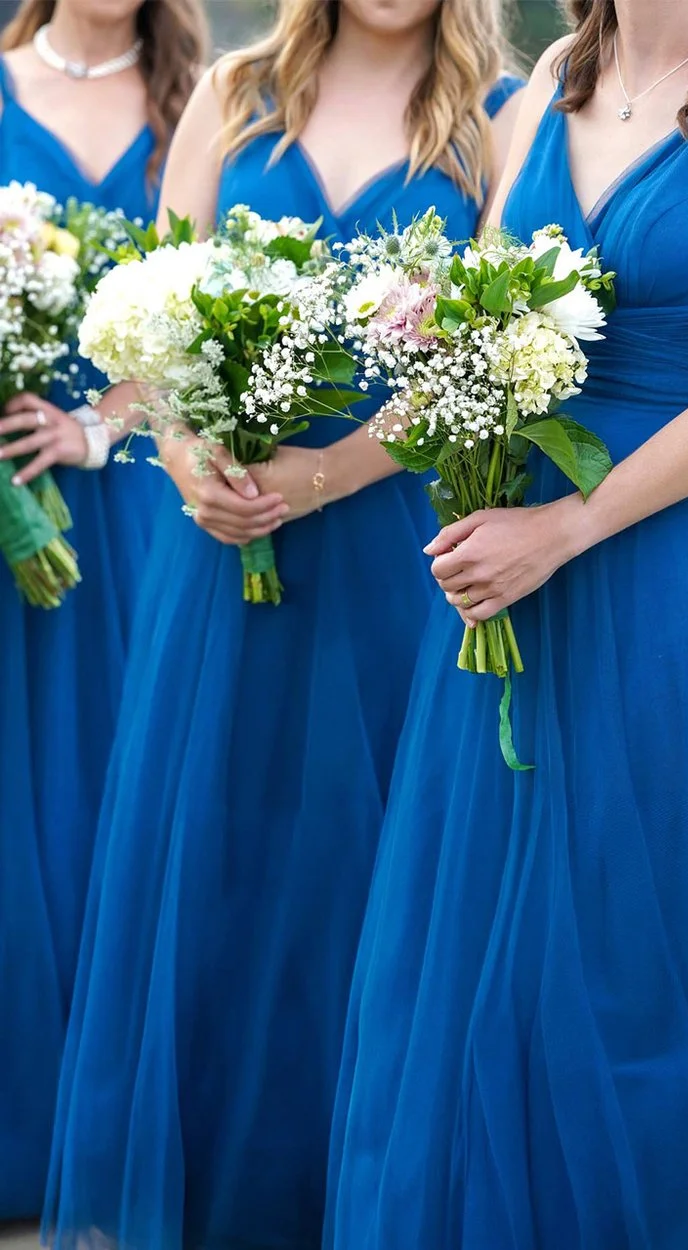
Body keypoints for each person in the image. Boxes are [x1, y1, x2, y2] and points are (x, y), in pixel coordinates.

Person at [326, 1, 688, 1244]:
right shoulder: (550, 73)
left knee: (628, 905)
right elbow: (495, 299)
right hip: (511, 528)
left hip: (659, 558)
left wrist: (566, 530)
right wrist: (430, 314)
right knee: (487, 894)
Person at [45, 1, 519, 1244]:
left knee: (369, 877)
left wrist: (327, 477)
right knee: (221, 852)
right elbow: (146, 325)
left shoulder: (496, 124)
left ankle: (344, 1192)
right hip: (219, 549)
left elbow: (485, 358)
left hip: (392, 551)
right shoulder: (237, 91)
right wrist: (189, 449)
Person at [0, 0, 203, 1221]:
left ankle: (105, 1131)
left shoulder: (201, 98)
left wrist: (96, 424)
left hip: (127, 507)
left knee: (116, 794)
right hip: (2, 476)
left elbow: (198, 309)